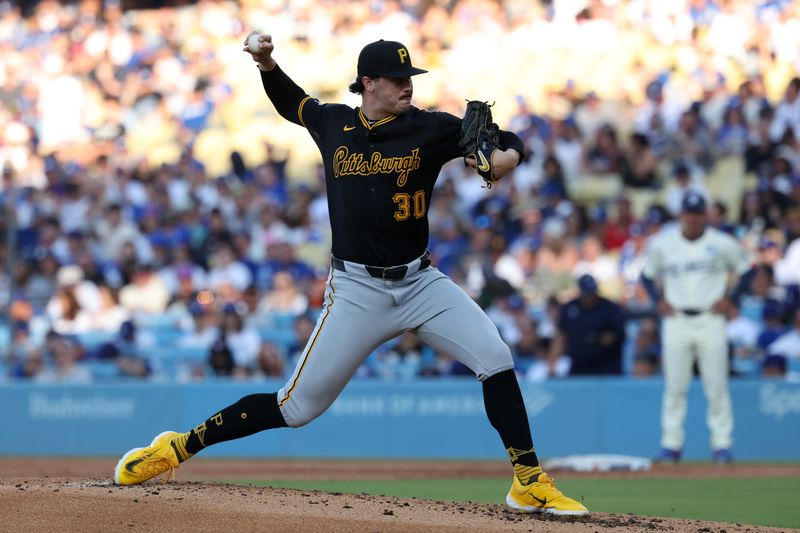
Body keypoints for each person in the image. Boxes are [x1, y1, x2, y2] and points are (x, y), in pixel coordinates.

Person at [112, 35, 587, 515]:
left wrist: (510, 155)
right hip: (358, 290)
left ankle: (528, 480)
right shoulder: (336, 123)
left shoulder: (430, 127)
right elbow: (290, 102)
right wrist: (267, 63)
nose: (408, 87)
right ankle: (177, 446)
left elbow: (500, 138)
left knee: (495, 355)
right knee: (294, 408)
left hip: (420, 283)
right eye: (398, 80)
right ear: (369, 83)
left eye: (410, 78)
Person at [641, 192, 751, 465]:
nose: (693, 218)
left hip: (710, 318)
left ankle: (722, 444)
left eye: (697, 213)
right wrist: (659, 302)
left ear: (704, 215)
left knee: (716, 384)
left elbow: (747, 270)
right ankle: (671, 445)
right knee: (675, 386)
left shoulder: (721, 242)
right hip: (677, 319)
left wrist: (731, 299)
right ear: (682, 216)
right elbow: (646, 275)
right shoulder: (665, 244)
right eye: (689, 213)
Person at [547, 274, 626, 376]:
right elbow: (561, 337)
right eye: (587, 293)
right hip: (578, 366)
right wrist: (552, 364)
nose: (590, 296)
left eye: (592, 292)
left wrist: (597, 338)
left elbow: (617, 335)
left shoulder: (610, 309)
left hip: (606, 368)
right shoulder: (569, 308)